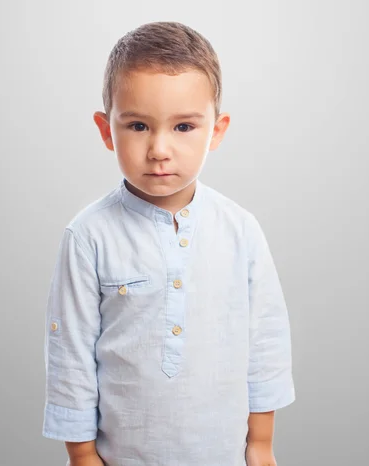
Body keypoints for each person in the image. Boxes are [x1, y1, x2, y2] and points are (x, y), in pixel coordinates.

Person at [42, 21, 295, 466]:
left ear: (216, 130)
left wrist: (260, 443)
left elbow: (266, 340)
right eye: (138, 125)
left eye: (183, 127)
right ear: (106, 130)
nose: (159, 148)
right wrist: (82, 455)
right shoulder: (89, 236)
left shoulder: (240, 230)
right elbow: (71, 353)